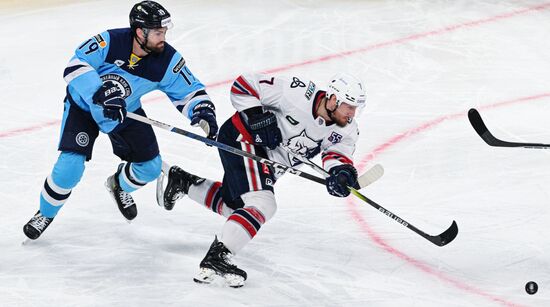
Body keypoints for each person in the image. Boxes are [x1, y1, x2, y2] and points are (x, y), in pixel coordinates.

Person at [23, 1, 218, 240]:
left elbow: (190, 92)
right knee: (69, 168)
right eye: (158, 32)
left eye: (164, 32)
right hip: (83, 107)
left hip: (125, 112)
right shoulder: (110, 41)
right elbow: (75, 65)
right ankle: (45, 213)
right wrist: (100, 91)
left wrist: (203, 112)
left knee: (150, 169)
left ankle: (118, 185)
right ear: (140, 31)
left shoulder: (166, 59)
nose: (163, 38)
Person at [160, 73, 366, 287]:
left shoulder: (347, 129)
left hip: (269, 162)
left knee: (237, 210)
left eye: (355, 108)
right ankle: (219, 256)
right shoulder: (296, 93)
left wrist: (341, 173)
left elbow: (336, 154)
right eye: (349, 106)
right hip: (243, 139)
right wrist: (257, 118)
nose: (352, 113)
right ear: (333, 99)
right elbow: (244, 85)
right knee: (263, 204)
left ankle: (183, 182)